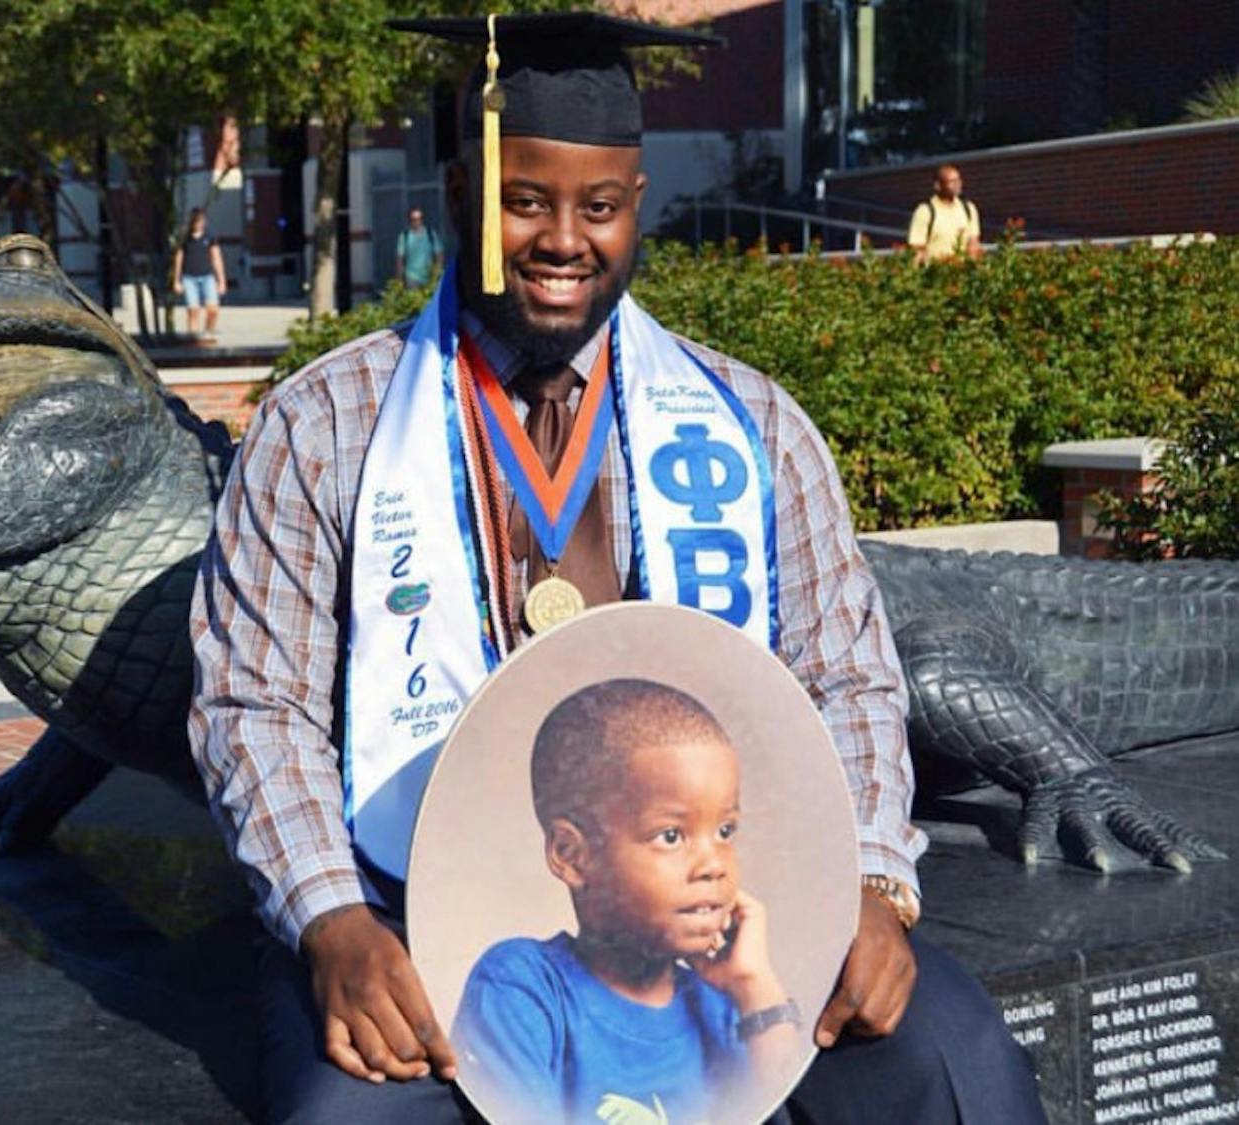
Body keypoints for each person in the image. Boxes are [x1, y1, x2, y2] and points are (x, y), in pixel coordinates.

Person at [189, 12, 1045, 1124]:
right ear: (459, 194)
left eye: (597, 207)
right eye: (524, 200)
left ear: (636, 208)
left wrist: (872, 882)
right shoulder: (326, 427)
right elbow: (257, 704)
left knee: (951, 1064)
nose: (562, 240)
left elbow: (847, 680)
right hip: (411, 912)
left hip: (722, 916)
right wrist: (331, 922)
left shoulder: (750, 427)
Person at [452, 679, 795, 1125]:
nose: (714, 865)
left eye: (725, 831)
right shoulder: (524, 989)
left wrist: (755, 988)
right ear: (571, 855)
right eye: (671, 836)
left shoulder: (725, 1009)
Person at [908, 164, 983, 264]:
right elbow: (917, 248)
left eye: (959, 180)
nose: (958, 184)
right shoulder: (926, 211)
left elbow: (973, 242)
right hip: (936, 274)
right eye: (952, 181)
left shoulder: (968, 208)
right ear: (938, 186)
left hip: (962, 273)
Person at [171, 207, 227, 339]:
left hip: (207, 276)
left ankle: (209, 333)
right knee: (193, 311)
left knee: (213, 310)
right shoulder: (184, 237)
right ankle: (193, 339)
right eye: (197, 221)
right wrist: (176, 280)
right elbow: (179, 258)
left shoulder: (210, 236)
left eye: (202, 221)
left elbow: (216, 258)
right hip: (189, 277)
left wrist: (222, 281)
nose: (200, 224)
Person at [396, 207, 444, 288]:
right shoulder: (404, 236)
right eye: (413, 219)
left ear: (422, 220)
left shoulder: (430, 234)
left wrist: (437, 274)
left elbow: (439, 254)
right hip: (411, 276)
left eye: (419, 219)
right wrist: (399, 279)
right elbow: (399, 258)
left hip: (429, 277)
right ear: (410, 221)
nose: (416, 222)